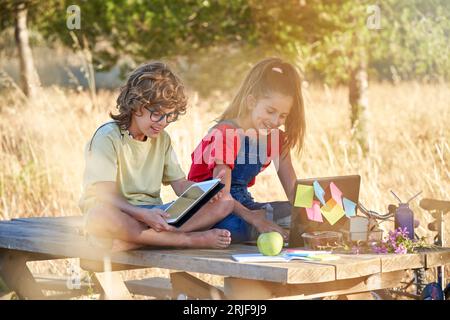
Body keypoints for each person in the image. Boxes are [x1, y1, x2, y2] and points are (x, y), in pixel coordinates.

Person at [80, 62, 234, 252]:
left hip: (154, 214)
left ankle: (134, 241)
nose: (163, 123)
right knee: (100, 216)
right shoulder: (108, 137)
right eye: (157, 114)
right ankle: (189, 240)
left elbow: (180, 186)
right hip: (119, 211)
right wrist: (142, 214)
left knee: (226, 202)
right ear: (136, 105)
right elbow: (105, 195)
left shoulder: (162, 140)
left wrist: (207, 191)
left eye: (169, 116)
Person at [188, 57, 305, 243]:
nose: (275, 121)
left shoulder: (276, 139)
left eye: (283, 115)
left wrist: (313, 212)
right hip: (207, 206)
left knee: (295, 216)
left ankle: (264, 230)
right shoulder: (226, 133)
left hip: (243, 205)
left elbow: (293, 191)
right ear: (251, 102)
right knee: (234, 227)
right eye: (270, 111)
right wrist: (254, 218)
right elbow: (222, 197)